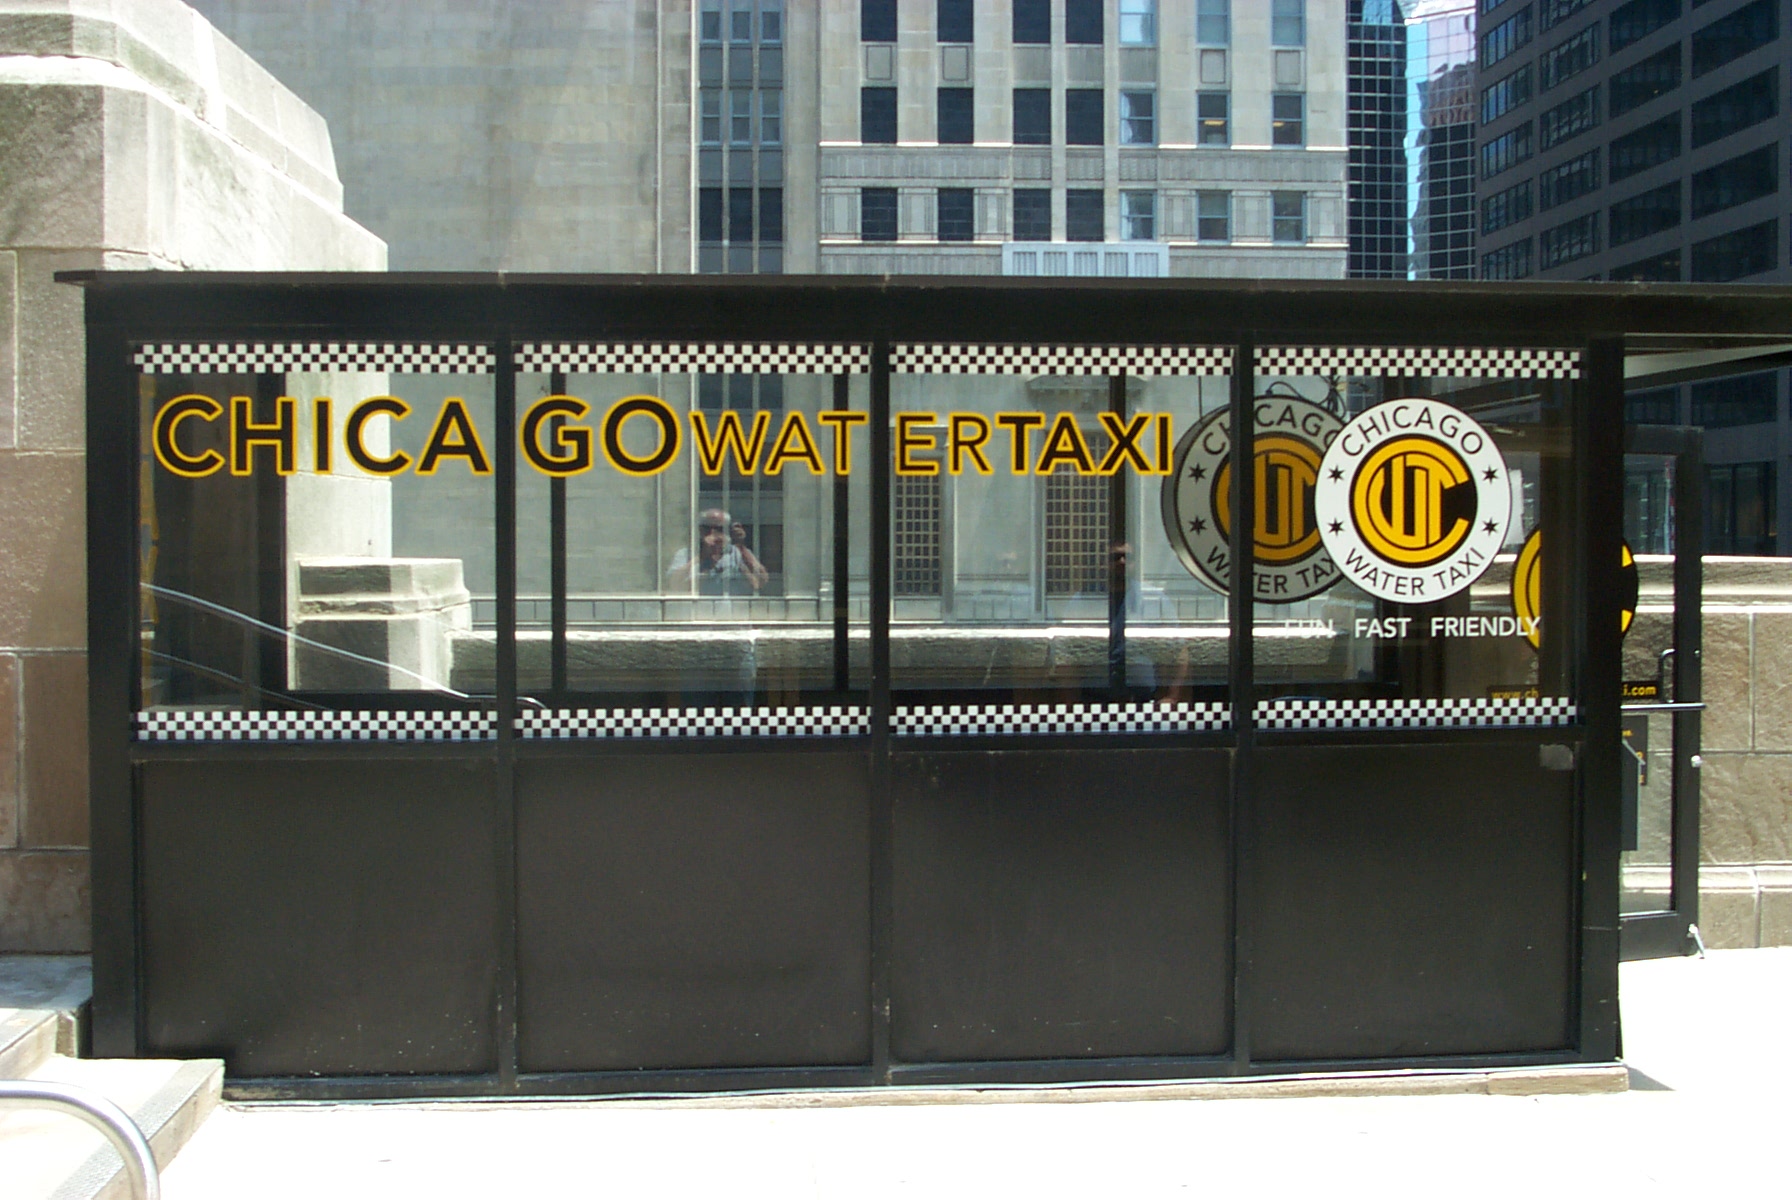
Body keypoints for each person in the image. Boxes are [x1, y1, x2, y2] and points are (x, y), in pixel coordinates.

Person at [666, 507, 769, 596]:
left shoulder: (736, 553)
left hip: (730, 614)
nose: (713, 533)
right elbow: (673, 584)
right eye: (707, 528)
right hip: (697, 613)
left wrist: (741, 546)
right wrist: (701, 557)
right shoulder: (686, 553)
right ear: (700, 530)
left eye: (719, 529)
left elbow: (759, 582)